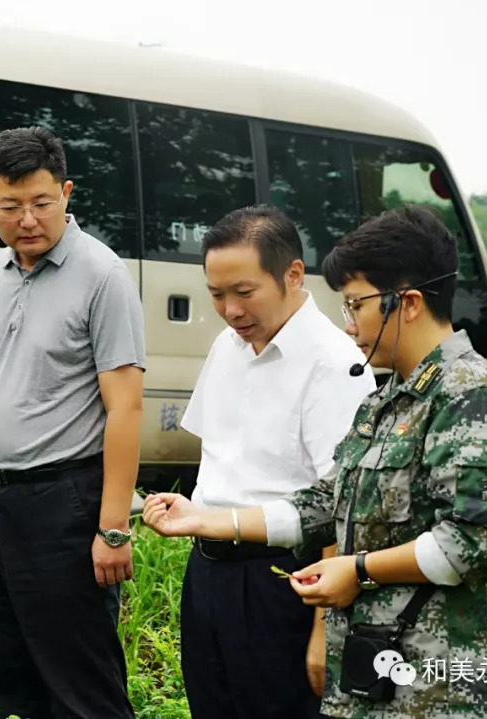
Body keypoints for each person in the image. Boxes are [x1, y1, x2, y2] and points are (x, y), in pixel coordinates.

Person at [143, 204, 487, 718]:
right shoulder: (387, 402)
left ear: (407, 303)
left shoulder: (469, 395)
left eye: (355, 306)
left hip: (440, 681)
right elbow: (326, 502)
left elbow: (474, 542)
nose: (347, 325)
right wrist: (208, 519)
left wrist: (359, 571)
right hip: (380, 666)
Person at [0, 126, 146, 719]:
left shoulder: (103, 276)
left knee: (79, 679)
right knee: (4, 673)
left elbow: (126, 406)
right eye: (11, 207)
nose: (28, 219)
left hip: (61, 500)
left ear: (66, 193)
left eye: (41, 203)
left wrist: (112, 527)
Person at [170, 205, 375, 718]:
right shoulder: (226, 345)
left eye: (244, 292)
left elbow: (342, 504)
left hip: (283, 581)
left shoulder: (334, 363)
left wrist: (322, 630)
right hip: (208, 574)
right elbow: (219, 458)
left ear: (292, 274)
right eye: (217, 295)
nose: (231, 310)